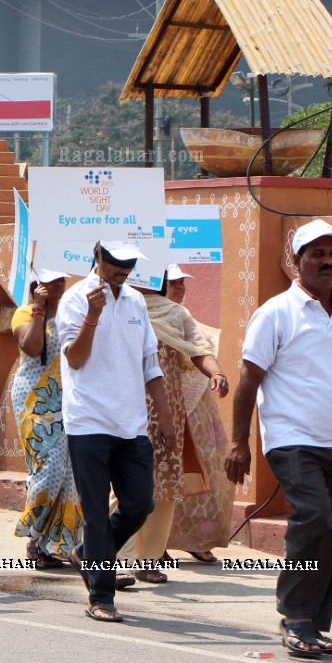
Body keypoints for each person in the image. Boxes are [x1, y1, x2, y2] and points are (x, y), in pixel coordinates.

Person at [227, 219, 332, 659]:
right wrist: (239, 442)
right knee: (313, 517)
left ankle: (314, 624)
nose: (327, 262)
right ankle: (294, 615)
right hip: (293, 440)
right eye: (317, 254)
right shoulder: (275, 313)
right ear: (296, 261)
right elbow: (248, 379)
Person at [57, 241, 174, 623]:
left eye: (128, 265)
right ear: (98, 258)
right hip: (88, 421)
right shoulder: (76, 299)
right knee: (94, 513)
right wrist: (92, 316)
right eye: (115, 264)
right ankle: (101, 596)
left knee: (140, 504)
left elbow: (149, 363)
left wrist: (166, 416)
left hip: (131, 424)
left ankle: (88, 554)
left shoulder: (137, 303)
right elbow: (75, 359)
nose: (122, 271)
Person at [119, 271, 229, 583]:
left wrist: (216, 373)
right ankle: (118, 556)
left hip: (168, 410)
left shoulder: (176, 313)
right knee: (125, 480)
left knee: (165, 483)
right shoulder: (123, 307)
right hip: (128, 407)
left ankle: (149, 559)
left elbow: (197, 349)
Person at [10, 269, 81, 566]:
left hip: (70, 400)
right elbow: (32, 347)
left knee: (70, 475)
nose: (60, 284)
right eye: (52, 281)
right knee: (48, 469)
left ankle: (54, 547)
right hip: (35, 399)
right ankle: (34, 537)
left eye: (62, 280)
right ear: (37, 285)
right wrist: (39, 310)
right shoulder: (24, 314)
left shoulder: (70, 313)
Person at [163, 263, 231, 562]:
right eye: (173, 282)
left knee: (208, 470)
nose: (179, 288)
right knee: (165, 477)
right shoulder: (146, 317)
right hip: (166, 410)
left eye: (182, 283)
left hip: (199, 412)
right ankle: (156, 544)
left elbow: (199, 353)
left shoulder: (184, 318)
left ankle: (195, 538)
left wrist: (215, 374)